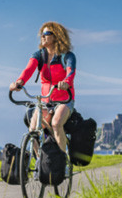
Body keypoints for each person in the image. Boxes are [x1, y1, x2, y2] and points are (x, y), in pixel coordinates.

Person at [9, 21, 76, 152]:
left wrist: (66, 82)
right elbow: (28, 70)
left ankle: (62, 160)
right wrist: (19, 82)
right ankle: (40, 161)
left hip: (64, 100)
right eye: (42, 34)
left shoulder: (67, 56)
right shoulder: (39, 55)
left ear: (56, 36)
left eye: (46, 33)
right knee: (33, 130)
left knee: (56, 124)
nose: (42, 37)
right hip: (46, 101)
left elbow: (71, 72)